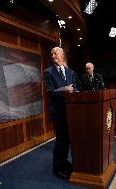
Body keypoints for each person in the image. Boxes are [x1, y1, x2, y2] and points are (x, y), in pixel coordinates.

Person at [44, 47, 78, 180]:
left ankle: (64, 163)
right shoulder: (48, 72)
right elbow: (50, 91)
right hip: (58, 112)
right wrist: (65, 90)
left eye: (55, 53)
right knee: (61, 141)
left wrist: (72, 90)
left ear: (62, 55)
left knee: (68, 140)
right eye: (51, 53)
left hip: (71, 112)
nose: (52, 55)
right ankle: (57, 168)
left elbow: (75, 87)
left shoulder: (70, 71)